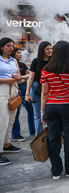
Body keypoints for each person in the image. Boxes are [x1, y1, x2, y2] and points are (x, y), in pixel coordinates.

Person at [40, 40, 69, 180]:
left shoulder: (46, 69)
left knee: (53, 138)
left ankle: (56, 171)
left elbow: (44, 93)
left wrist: (42, 111)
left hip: (51, 107)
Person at [0, 38, 22, 166]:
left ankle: (7, 144)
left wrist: (18, 77)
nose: (11, 48)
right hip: (2, 91)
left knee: (11, 120)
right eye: (8, 46)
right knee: (2, 121)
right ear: (2, 47)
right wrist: (7, 80)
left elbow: (18, 75)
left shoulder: (14, 60)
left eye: (12, 46)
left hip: (13, 90)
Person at [25, 41, 53, 136]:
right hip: (37, 88)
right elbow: (31, 77)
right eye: (47, 49)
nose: (50, 50)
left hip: (51, 88)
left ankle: (58, 136)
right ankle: (38, 138)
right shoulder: (36, 61)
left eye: (51, 48)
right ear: (42, 50)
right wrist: (27, 93)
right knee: (37, 115)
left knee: (53, 114)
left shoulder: (54, 60)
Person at [11, 47, 35, 141]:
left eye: (20, 52)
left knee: (31, 109)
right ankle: (16, 135)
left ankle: (33, 130)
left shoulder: (22, 64)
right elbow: (18, 80)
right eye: (18, 53)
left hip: (25, 88)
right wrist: (22, 79)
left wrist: (22, 78)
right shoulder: (11, 64)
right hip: (18, 89)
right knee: (16, 112)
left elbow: (30, 74)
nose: (20, 54)